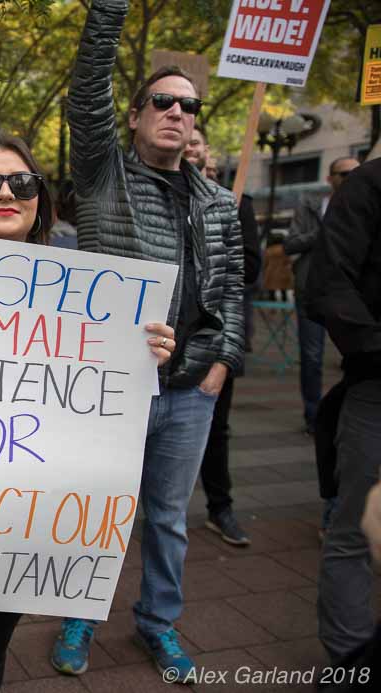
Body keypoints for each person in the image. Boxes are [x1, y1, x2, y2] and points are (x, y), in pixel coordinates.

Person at [0, 131, 176, 693]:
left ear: (40, 198)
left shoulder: (89, 296)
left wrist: (144, 353)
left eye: (22, 182)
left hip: (19, 527)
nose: (5, 193)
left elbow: (94, 410)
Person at [52, 0, 245, 681]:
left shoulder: (219, 204)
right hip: (115, 388)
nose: (177, 112)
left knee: (168, 519)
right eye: (162, 100)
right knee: (96, 508)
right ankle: (78, 614)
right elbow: (86, 90)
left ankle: (158, 623)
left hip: (190, 393)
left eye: (189, 106)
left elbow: (233, 291)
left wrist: (221, 365)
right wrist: (109, 11)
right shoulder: (103, 174)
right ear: (134, 116)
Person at [309, 158, 381, 664]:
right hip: (377, 387)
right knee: (355, 527)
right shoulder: (369, 185)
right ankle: (350, 665)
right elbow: (329, 285)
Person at [185, 125, 262, 547]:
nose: (188, 144)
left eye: (196, 140)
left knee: (216, 429)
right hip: (160, 340)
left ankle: (221, 508)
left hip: (213, 339)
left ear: (205, 151)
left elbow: (248, 270)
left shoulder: (235, 204)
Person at [284, 156, 361, 435]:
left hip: (355, 295)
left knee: (358, 356)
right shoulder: (311, 206)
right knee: (312, 357)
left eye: (356, 172)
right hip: (313, 292)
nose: (351, 178)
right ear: (330, 179)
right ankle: (314, 417)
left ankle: (351, 416)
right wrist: (324, 230)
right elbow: (290, 244)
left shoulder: (367, 207)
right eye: (344, 174)